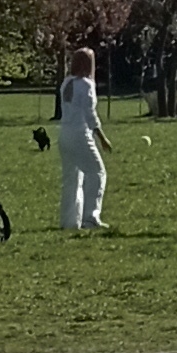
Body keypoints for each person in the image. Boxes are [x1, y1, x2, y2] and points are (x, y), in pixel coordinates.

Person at [54, 46, 108, 232]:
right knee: (97, 173)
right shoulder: (86, 84)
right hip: (79, 133)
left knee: (72, 178)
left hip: (64, 134)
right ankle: (90, 217)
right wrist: (101, 137)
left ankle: (69, 221)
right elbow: (90, 114)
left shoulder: (66, 82)